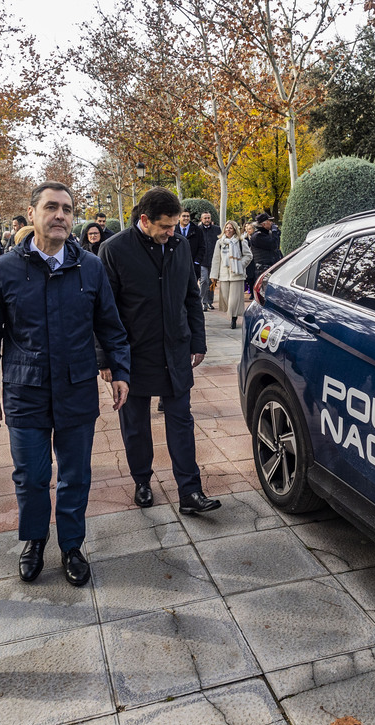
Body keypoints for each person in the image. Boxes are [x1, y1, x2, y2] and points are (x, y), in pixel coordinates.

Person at [0, 182, 130, 588]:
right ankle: (34, 540)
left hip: (76, 388)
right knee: (31, 475)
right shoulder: (4, 269)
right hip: (25, 391)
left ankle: (72, 546)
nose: (60, 215)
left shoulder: (90, 267)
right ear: (32, 212)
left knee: (75, 474)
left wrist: (119, 370)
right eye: (52, 207)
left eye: (67, 208)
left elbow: (110, 326)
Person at [98, 188, 221, 515]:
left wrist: (198, 341)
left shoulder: (179, 246)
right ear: (144, 220)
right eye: (165, 226)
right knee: (135, 426)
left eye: (174, 225)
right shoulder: (114, 250)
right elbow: (101, 310)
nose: (172, 232)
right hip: (132, 355)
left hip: (175, 350)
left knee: (181, 421)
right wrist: (106, 359)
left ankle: (190, 492)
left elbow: (191, 297)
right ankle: (142, 480)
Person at [212, 220, 251, 329]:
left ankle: (234, 318)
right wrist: (214, 275)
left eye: (230, 228)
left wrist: (240, 264)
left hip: (237, 275)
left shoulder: (241, 242)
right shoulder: (220, 242)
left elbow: (248, 256)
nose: (228, 230)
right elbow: (216, 259)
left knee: (234, 299)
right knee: (225, 297)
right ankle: (232, 314)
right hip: (224, 274)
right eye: (227, 228)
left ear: (234, 230)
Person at [249, 212, 282, 283]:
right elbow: (273, 244)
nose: (271, 223)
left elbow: (276, 245)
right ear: (264, 224)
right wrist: (274, 232)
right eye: (269, 221)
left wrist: (276, 232)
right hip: (263, 269)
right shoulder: (257, 236)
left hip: (272, 267)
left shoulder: (266, 234)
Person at [198, 211, 221, 311]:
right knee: (204, 281)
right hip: (202, 260)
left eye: (208, 218)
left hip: (213, 260)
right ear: (201, 219)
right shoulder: (198, 230)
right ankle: (203, 301)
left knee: (212, 282)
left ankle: (210, 302)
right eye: (205, 218)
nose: (207, 220)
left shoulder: (216, 229)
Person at [176, 209, 205, 285]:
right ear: (179, 217)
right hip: (177, 266)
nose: (186, 218)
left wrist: (197, 262)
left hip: (192, 266)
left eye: (188, 216)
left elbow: (202, 247)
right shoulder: (173, 230)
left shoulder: (197, 230)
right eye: (184, 216)